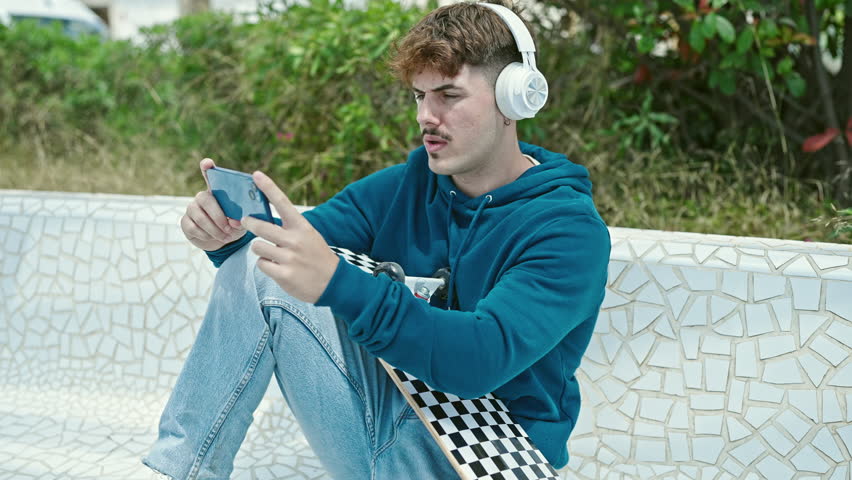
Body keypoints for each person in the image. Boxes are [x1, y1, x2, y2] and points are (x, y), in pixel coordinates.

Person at [143, 1, 610, 478]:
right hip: (394, 425)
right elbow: (286, 262)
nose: (426, 116)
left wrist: (338, 284)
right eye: (419, 95)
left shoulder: (566, 231)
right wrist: (226, 238)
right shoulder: (407, 187)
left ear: (514, 99)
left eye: (448, 95)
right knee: (258, 266)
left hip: (490, 460)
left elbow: (479, 360)